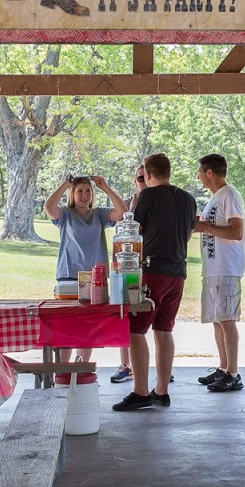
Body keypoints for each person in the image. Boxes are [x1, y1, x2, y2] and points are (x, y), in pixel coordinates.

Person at [112, 153, 197, 412]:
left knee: (135, 330)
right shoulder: (188, 199)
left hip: (151, 270)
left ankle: (140, 391)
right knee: (164, 330)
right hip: (178, 272)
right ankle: (162, 390)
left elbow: (135, 232)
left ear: (148, 175)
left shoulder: (148, 196)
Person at [44, 172, 128, 375]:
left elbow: (123, 212)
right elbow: (49, 208)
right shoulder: (64, 214)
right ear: (72, 194)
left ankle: (80, 369)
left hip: (95, 279)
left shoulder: (99, 214)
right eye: (79, 191)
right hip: (68, 275)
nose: (84, 195)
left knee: (88, 327)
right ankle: (62, 372)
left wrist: (105, 187)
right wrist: (64, 185)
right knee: (66, 326)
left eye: (88, 191)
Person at [195, 154, 245, 392]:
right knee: (217, 320)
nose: (198, 176)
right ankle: (224, 368)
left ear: (209, 173)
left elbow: (237, 232)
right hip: (213, 269)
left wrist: (203, 226)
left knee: (227, 320)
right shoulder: (215, 198)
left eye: (200, 171)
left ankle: (234, 373)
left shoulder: (230, 195)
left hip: (227, 268)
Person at [110, 163, 148, 385]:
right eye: (139, 179)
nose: (142, 182)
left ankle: (149, 365)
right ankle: (126, 365)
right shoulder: (132, 205)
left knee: (146, 321)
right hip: (127, 270)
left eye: (144, 178)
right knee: (125, 315)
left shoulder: (156, 201)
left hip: (150, 267)